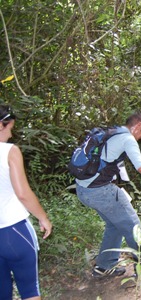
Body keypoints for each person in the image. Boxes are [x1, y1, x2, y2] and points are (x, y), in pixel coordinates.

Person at [75, 112, 141, 278]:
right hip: (100, 191)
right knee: (132, 223)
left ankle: (104, 267)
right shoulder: (127, 139)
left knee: (115, 224)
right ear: (138, 126)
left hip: (83, 189)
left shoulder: (112, 132)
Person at [0, 104, 52, 300]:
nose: (11, 135)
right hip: (14, 231)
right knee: (30, 291)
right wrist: (43, 218)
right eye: (10, 128)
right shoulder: (9, 151)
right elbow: (22, 193)